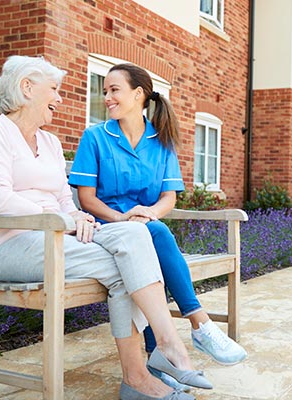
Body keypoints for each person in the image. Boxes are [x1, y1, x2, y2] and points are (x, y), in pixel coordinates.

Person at [0, 55, 210, 400]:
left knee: (136, 233)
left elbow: (66, 199)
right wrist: (65, 221)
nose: (60, 98)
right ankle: (154, 363)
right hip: (9, 245)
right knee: (129, 266)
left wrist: (76, 216)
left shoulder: (48, 142)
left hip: (57, 237)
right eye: (54, 90)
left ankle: (156, 359)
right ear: (26, 88)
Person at [68, 64, 247, 383]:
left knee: (151, 238)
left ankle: (157, 357)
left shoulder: (161, 141)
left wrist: (148, 214)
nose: (107, 97)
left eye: (114, 90)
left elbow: (168, 198)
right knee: (154, 235)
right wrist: (124, 218)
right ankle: (200, 324)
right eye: (105, 91)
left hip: (144, 229)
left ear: (138, 94)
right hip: (104, 230)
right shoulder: (95, 136)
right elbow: (87, 199)